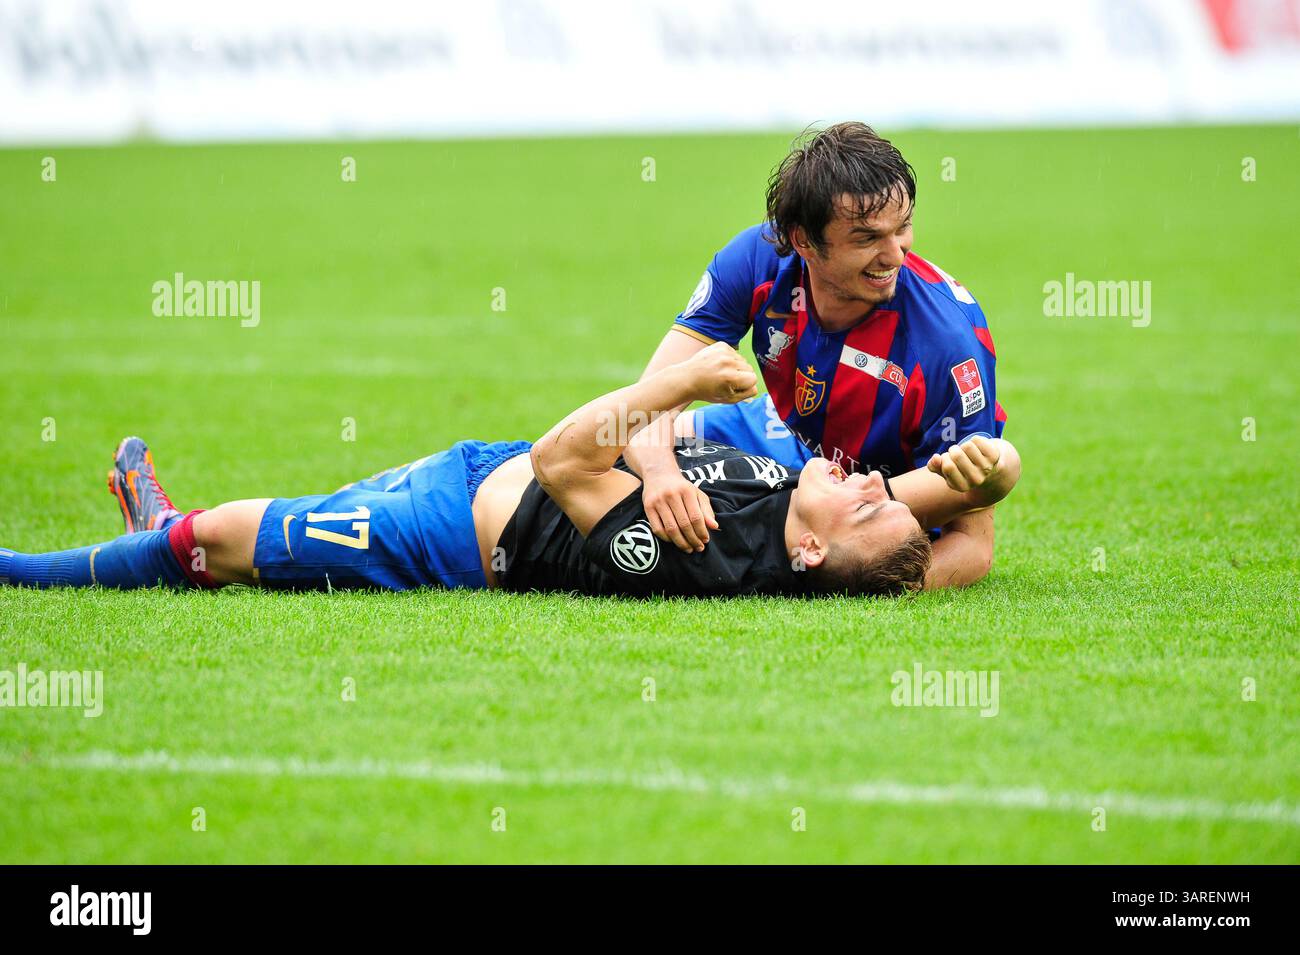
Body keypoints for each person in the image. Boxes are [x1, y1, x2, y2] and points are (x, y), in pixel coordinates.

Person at [0, 344, 1019, 598]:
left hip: (450, 529)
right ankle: (157, 534)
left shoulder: (676, 549)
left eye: (868, 499)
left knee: (223, 543)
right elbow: (959, 495)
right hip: (482, 472)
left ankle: (26, 570)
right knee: (251, 527)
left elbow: (561, 454)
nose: (877, 480)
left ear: (805, 547)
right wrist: (994, 465)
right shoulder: (810, 508)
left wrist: (672, 390)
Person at [626, 122, 1008, 590]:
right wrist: (661, 476)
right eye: (867, 238)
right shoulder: (757, 260)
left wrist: (851, 586)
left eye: (903, 227)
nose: (895, 255)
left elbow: (973, 544)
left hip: (873, 494)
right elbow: (644, 404)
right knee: (624, 451)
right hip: (786, 439)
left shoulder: (948, 347)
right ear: (803, 240)